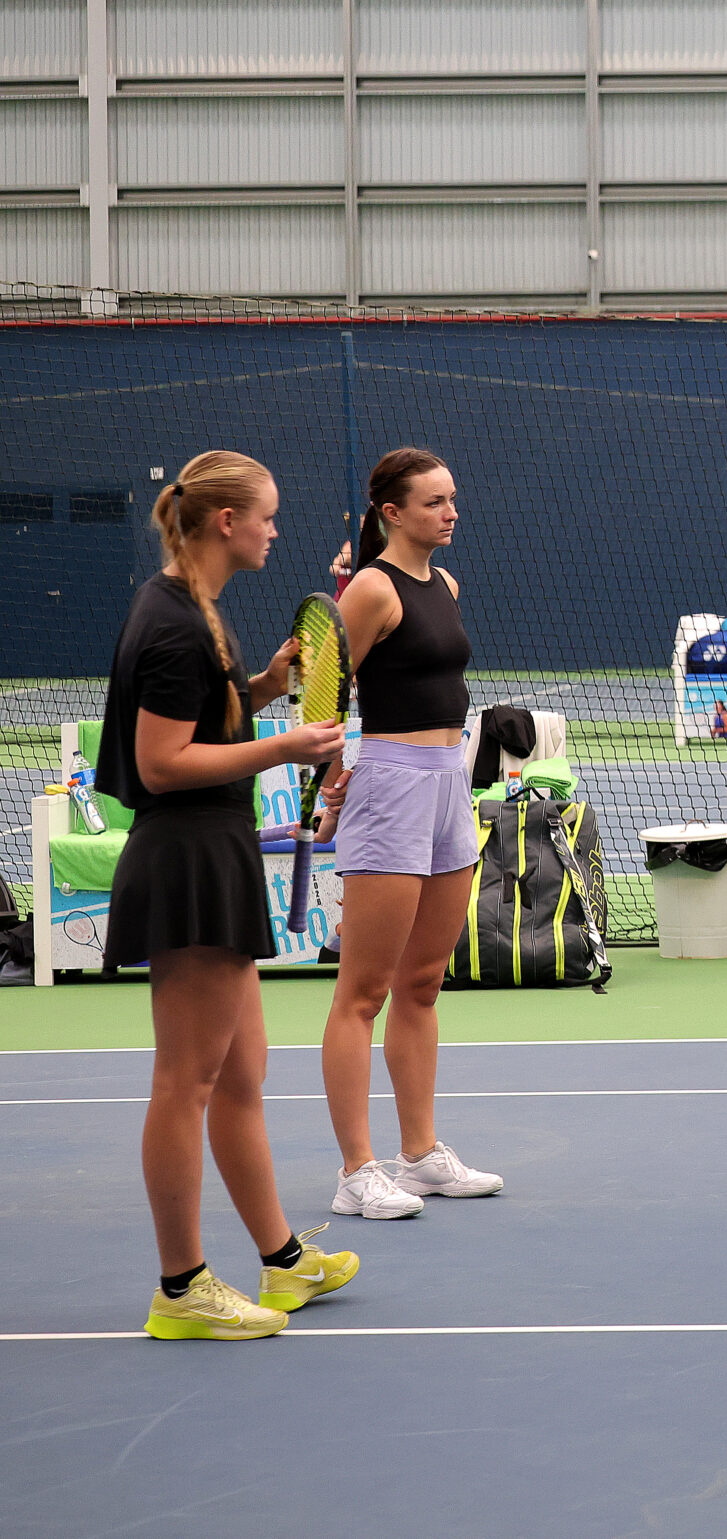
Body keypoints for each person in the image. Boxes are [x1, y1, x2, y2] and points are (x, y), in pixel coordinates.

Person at [96, 450, 357, 1340]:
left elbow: (201, 724)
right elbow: (160, 764)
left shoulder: (195, 610)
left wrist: (262, 693)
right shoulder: (172, 623)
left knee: (241, 1075)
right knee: (186, 1081)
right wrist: (284, 748)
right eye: (269, 516)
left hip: (218, 848)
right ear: (225, 524)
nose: (276, 530)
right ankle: (181, 1288)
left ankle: (283, 1262)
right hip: (189, 863)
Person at [310, 447, 504, 1222]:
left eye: (452, 498)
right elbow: (323, 687)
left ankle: (419, 1155)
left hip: (451, 785)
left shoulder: (445, 583)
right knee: (362, 992)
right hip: (390, 786)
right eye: (433, 502)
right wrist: (330, 780)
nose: (449, 511)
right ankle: (357, 1170)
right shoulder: (370, 588)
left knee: (423, 982)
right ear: (391, 512)